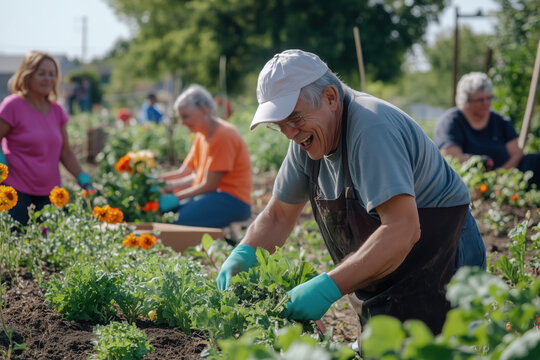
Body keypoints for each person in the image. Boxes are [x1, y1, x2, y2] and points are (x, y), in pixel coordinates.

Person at [216, 49, 486, 337]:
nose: (290, 134)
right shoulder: (307, 142)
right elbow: (279, 215)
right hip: (397, 269)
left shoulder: (371, 128)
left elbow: (403, 229)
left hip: (443, 259)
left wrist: (328, 286)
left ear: (331, 97)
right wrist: (243, 254)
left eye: (294, 117)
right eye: (279, 125)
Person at [0, 51, 94, 224]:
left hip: (50, 193)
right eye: (41, 73)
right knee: (16, 244)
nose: (47, 79)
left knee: (48, 247)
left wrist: (82, 178)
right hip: (15, 191)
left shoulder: (57, 111)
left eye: (52, 74)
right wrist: (2, 165)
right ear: (28, 75)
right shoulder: (13, 105)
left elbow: (65, 152)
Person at [157, 84, 252, 228]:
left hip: (232, 201)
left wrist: (174, 198)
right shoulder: (201, 134)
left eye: (185, 117)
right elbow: (185, 172)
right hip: (211, 196)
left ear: (204, 111)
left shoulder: (223, 135)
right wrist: (158, 181)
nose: (182, 123)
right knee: (167, 215)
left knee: (174, 222)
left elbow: (209, 185)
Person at [434, 72, 540, 186]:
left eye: (489, 98)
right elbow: (451, 157)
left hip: (507, 179)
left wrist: (499, 175)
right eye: (480, 100)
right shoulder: (451, 122)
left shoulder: (501, 122)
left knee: (534, 160)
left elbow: (517, 154)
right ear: (466, 101)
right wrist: (482, 170)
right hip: (469, 182)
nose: (486, 103)